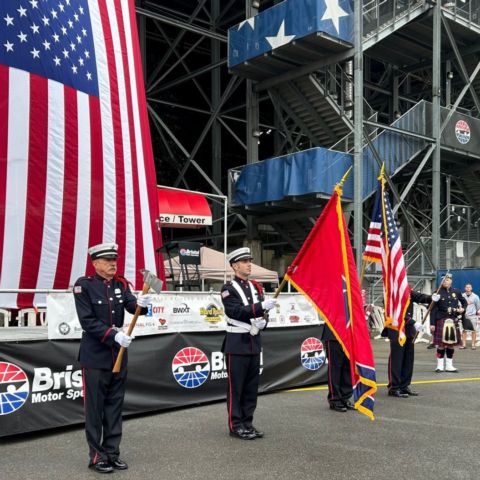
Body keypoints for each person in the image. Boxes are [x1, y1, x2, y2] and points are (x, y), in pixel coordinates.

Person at [74, 242, 151, 473]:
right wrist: (113, 335)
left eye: (114, 260)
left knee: (115, 407)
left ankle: (112, 452)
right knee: (95, 409)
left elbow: (132, 306)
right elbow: (87, 321)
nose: (112, 264)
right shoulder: (84, 286)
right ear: (95, 263)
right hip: (96, 355)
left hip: (118, 354)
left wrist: (143, 304)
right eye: (107, 261)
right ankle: (97, 456)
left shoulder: (120, 284)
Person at [220, 247, 276, 440]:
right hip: (237, 344)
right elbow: (234, 312)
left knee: (251, 387)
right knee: (236, 388)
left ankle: (247, 422)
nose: (249, 264)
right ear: (235, 266)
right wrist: (260, 308)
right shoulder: (228, 289)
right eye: (244, 261)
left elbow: (262, 313)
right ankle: (236, 425)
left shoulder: (256, 287)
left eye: (249, 261)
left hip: (253, 342)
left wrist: (264, 321)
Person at [385, 290, 439, 398]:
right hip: (397, 330)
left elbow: (420, 297)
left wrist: (431, 297)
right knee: (397, 359)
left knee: (408, 359)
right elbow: (396, 314)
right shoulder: (390, 293)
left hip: (409, 331)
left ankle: (404, 386)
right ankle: (394, 387)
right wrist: (413, 322)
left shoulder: (406, 290)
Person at [430, 273, 467, 373]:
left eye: (447, 280)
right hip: (441, 319)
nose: (445, 281)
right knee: (441, 345)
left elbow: (464, 302)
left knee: (451, 345)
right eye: (444, 280)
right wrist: (432, 323)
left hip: (453, 319)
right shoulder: (437, 292)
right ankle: (440, 366)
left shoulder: (456, 292)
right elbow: (433, 309)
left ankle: (449, 366)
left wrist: (462, 309)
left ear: (451, 281)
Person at [321, 324, 354, 412]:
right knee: (335, 367)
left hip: (349, 332)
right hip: (334, 332)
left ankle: (345, 397)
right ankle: (334, 399)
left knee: (348, 367)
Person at [460, 283, 480, 350]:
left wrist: (474, 312)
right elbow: (459, 305)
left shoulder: (475, 297)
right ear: (465, 288)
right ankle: (464, 344)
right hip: (464, 315)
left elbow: (478, 307)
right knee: (464, 330)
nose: (468, 288)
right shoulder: (462, 296)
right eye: (467, 287)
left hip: (472, 316)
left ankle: (473, 345)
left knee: (473, 330)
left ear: (471, 288)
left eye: (469, 287)